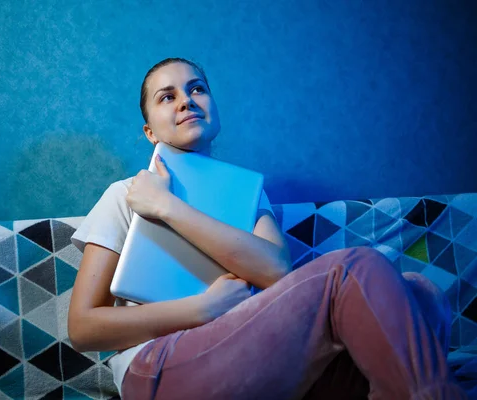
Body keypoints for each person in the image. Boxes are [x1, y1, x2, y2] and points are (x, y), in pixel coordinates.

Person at [67, 58, 466, 399]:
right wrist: (202, 309)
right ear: (149, 131)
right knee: (351, 269)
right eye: (167, 96)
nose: (186, 100)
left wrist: (167, 207)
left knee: (421, 293)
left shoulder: (248, 196)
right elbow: (83, 328)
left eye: (197, 89)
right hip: (159, 366)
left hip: (248, 355)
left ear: (214, 108)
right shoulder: (126, 195)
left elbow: (275, 270)